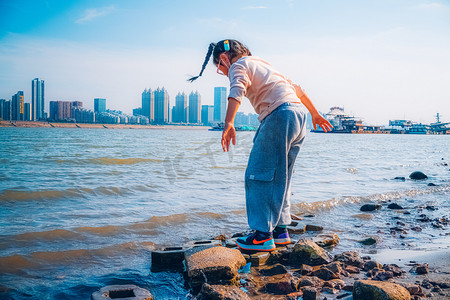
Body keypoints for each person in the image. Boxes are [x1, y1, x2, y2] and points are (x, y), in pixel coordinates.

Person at [188, 39, 332, 251]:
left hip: (279, 115)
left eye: (219, 66)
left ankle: (262, 236)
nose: (222, 71)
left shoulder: (238, 65)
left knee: (258, 174)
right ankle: (281, 230)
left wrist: (229, 123)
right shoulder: (265, 65)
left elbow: (237, 89)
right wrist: (315, 114)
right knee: (282, 175)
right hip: (299, 116)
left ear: (224, 58)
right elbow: (298, 90)